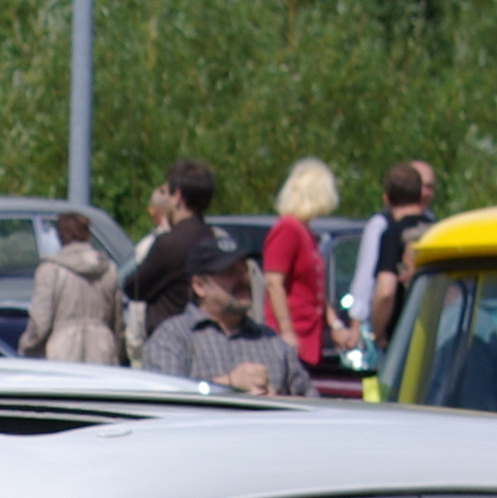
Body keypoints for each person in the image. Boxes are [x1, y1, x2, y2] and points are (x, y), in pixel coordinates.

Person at [141, 227, 308, 394]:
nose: (242, 279)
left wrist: (276, 400)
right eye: (230, 272)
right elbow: (165, 399)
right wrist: (228, 384)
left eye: (244, 270)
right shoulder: (172, 338)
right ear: (199, 286)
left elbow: (312, 402)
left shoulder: (272, 342)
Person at [122, 158, 215, 350]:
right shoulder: (214, 238)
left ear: (178, 196)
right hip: (209, 338)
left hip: (169, 341)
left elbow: (133, 287)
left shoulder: (171, 243)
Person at [261, 157, 341, 370]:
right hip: (291, 335)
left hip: (310, 336)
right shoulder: (287, 228)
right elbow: (273, 282)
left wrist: (334, 324)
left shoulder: (306, 232)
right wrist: (286, 331)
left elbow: (315, 289)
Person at [21, 210, 123, 364]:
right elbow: (117, 322)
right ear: (87, 234)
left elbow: (41, 323)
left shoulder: (50, 270)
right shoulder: (108, 269)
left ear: (60, 236)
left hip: (63, 351)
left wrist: (26, 348)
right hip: (103, 351)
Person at [360, 159, 438, 343]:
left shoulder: (393, 234)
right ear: (420, 195)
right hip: (435, 335)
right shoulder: (437, 232)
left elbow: (385, 293)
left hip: (403, 337)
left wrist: (378, 333)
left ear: (386, 199)